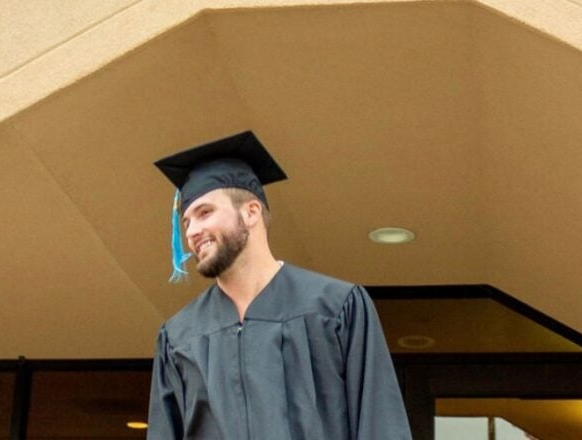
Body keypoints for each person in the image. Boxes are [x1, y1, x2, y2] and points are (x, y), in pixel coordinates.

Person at [148, 130, 413, 439]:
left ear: (251, 212)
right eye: (187, 222)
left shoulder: (336, 308)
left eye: (205, 213)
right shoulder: (179, 337)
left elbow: (380, 426)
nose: (192, 231)